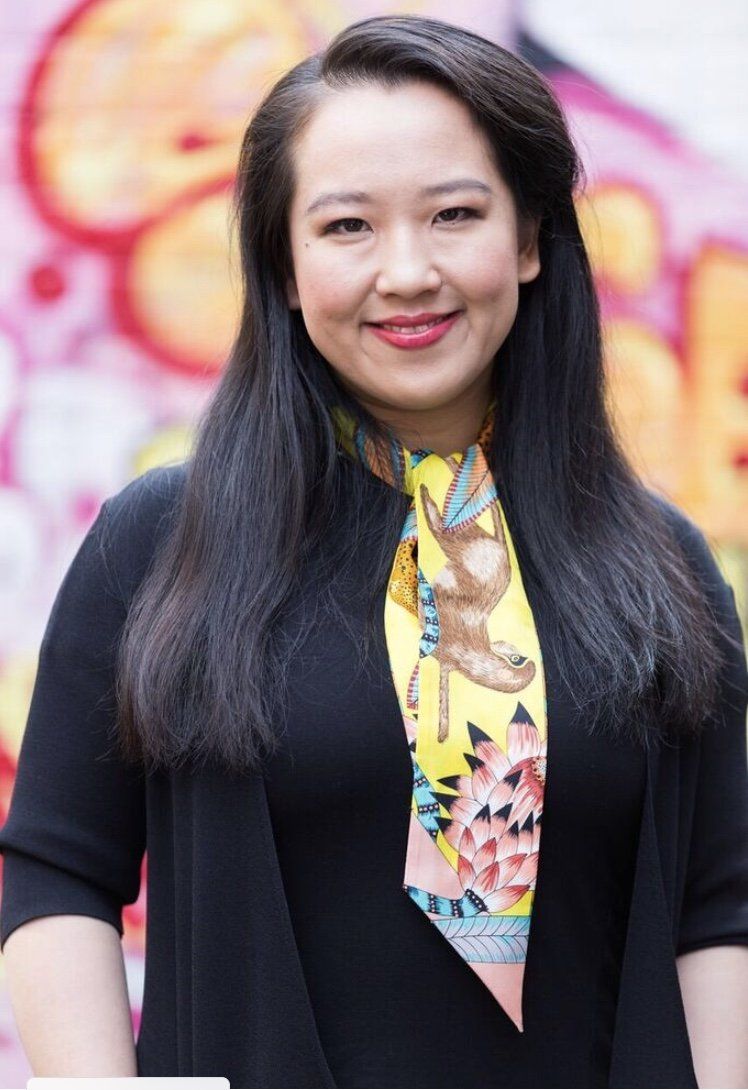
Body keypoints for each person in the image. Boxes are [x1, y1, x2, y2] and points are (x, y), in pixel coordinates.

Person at [1, 13, 746, 1089]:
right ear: (285, 266)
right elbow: (59, 871)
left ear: (530, 240)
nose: (406, 272)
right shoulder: (163, 543)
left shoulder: (658, 562)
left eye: (455, 215)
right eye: (347, 226)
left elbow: (717, 908)